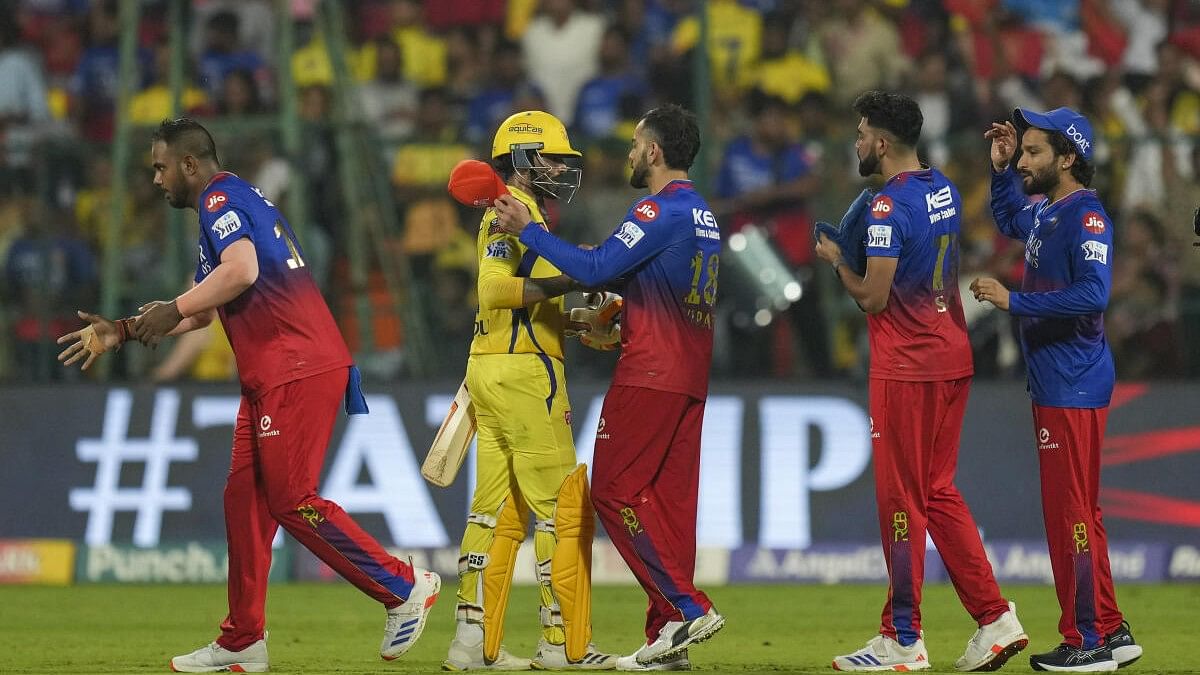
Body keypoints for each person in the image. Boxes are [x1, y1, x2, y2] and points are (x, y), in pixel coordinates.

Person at [55, 118, 440, 673]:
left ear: (190, 164)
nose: (156, 179)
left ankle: (402, 585)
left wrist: (174, 309)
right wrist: (120, 328)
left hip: (295, 365)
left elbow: (242, 271)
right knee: (245, 500)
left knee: (292, 499)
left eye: (160, 167)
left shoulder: (218, 198)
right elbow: (206, 304)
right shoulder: (229, 203)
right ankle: (243, 641)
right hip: (272, 374)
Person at [493, 103, 725, 671]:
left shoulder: (656, 209)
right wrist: (620, 312)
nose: (628, 153)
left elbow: (596, 267)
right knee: (668, 509)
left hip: (649, 373)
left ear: (654, 151)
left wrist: (529, 233)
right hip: (690, 376)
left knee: (614, 492)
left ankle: (685, 608)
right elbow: (655, 285)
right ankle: (668, 640)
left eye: (634, 143)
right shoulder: (703, 215)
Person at [813, 91, 1027, 673]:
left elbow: (873, 297)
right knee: (937, 492)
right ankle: (996, 618)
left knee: (901, 501)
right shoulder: (943, 189)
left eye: (860, 133)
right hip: (950, 355)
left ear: (881, 142)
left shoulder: (885, 209)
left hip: (907, 366)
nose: (855, 142)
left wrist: (838, 259)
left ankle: (902, 638)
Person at [443, 109, 617, 671]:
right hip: (525, 377)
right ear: (521, 161)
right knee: (560, 511)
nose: (559, 167)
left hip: (490, 368)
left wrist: (574, 323)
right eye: (550, 157)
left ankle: (470, 643)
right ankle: (562, 644)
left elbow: (522, 310)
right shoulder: (512, 216)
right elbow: (496, 292)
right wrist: (577, 278)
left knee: (489, 511)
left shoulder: (519, 214)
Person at [974, 108, 1143, 673]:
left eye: (1032, 152)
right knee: (1083, 514)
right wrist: (1000, 172)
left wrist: (1013, 301)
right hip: (1063, 380)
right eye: (1020, 151)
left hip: (1071, 383)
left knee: (1068, 514)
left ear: (1068, 158)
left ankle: (1086, 639)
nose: (1022, 159)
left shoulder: (1086, 218)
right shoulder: (1049, 210)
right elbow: (1007, 220)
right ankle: (1112, 629)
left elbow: (1094, 295)